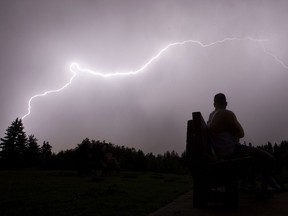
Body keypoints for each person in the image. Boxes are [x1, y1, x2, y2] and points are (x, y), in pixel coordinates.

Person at [207, 93, 283, 198]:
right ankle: (263, 190)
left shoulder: (211, 117)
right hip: (233, 151)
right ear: (226, 103)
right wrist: (233, 133)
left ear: (214, 104)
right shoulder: (227, 113)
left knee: (257, 159)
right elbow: (241, 134)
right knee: (270, 160)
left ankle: (267, 186)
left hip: (222, 153)